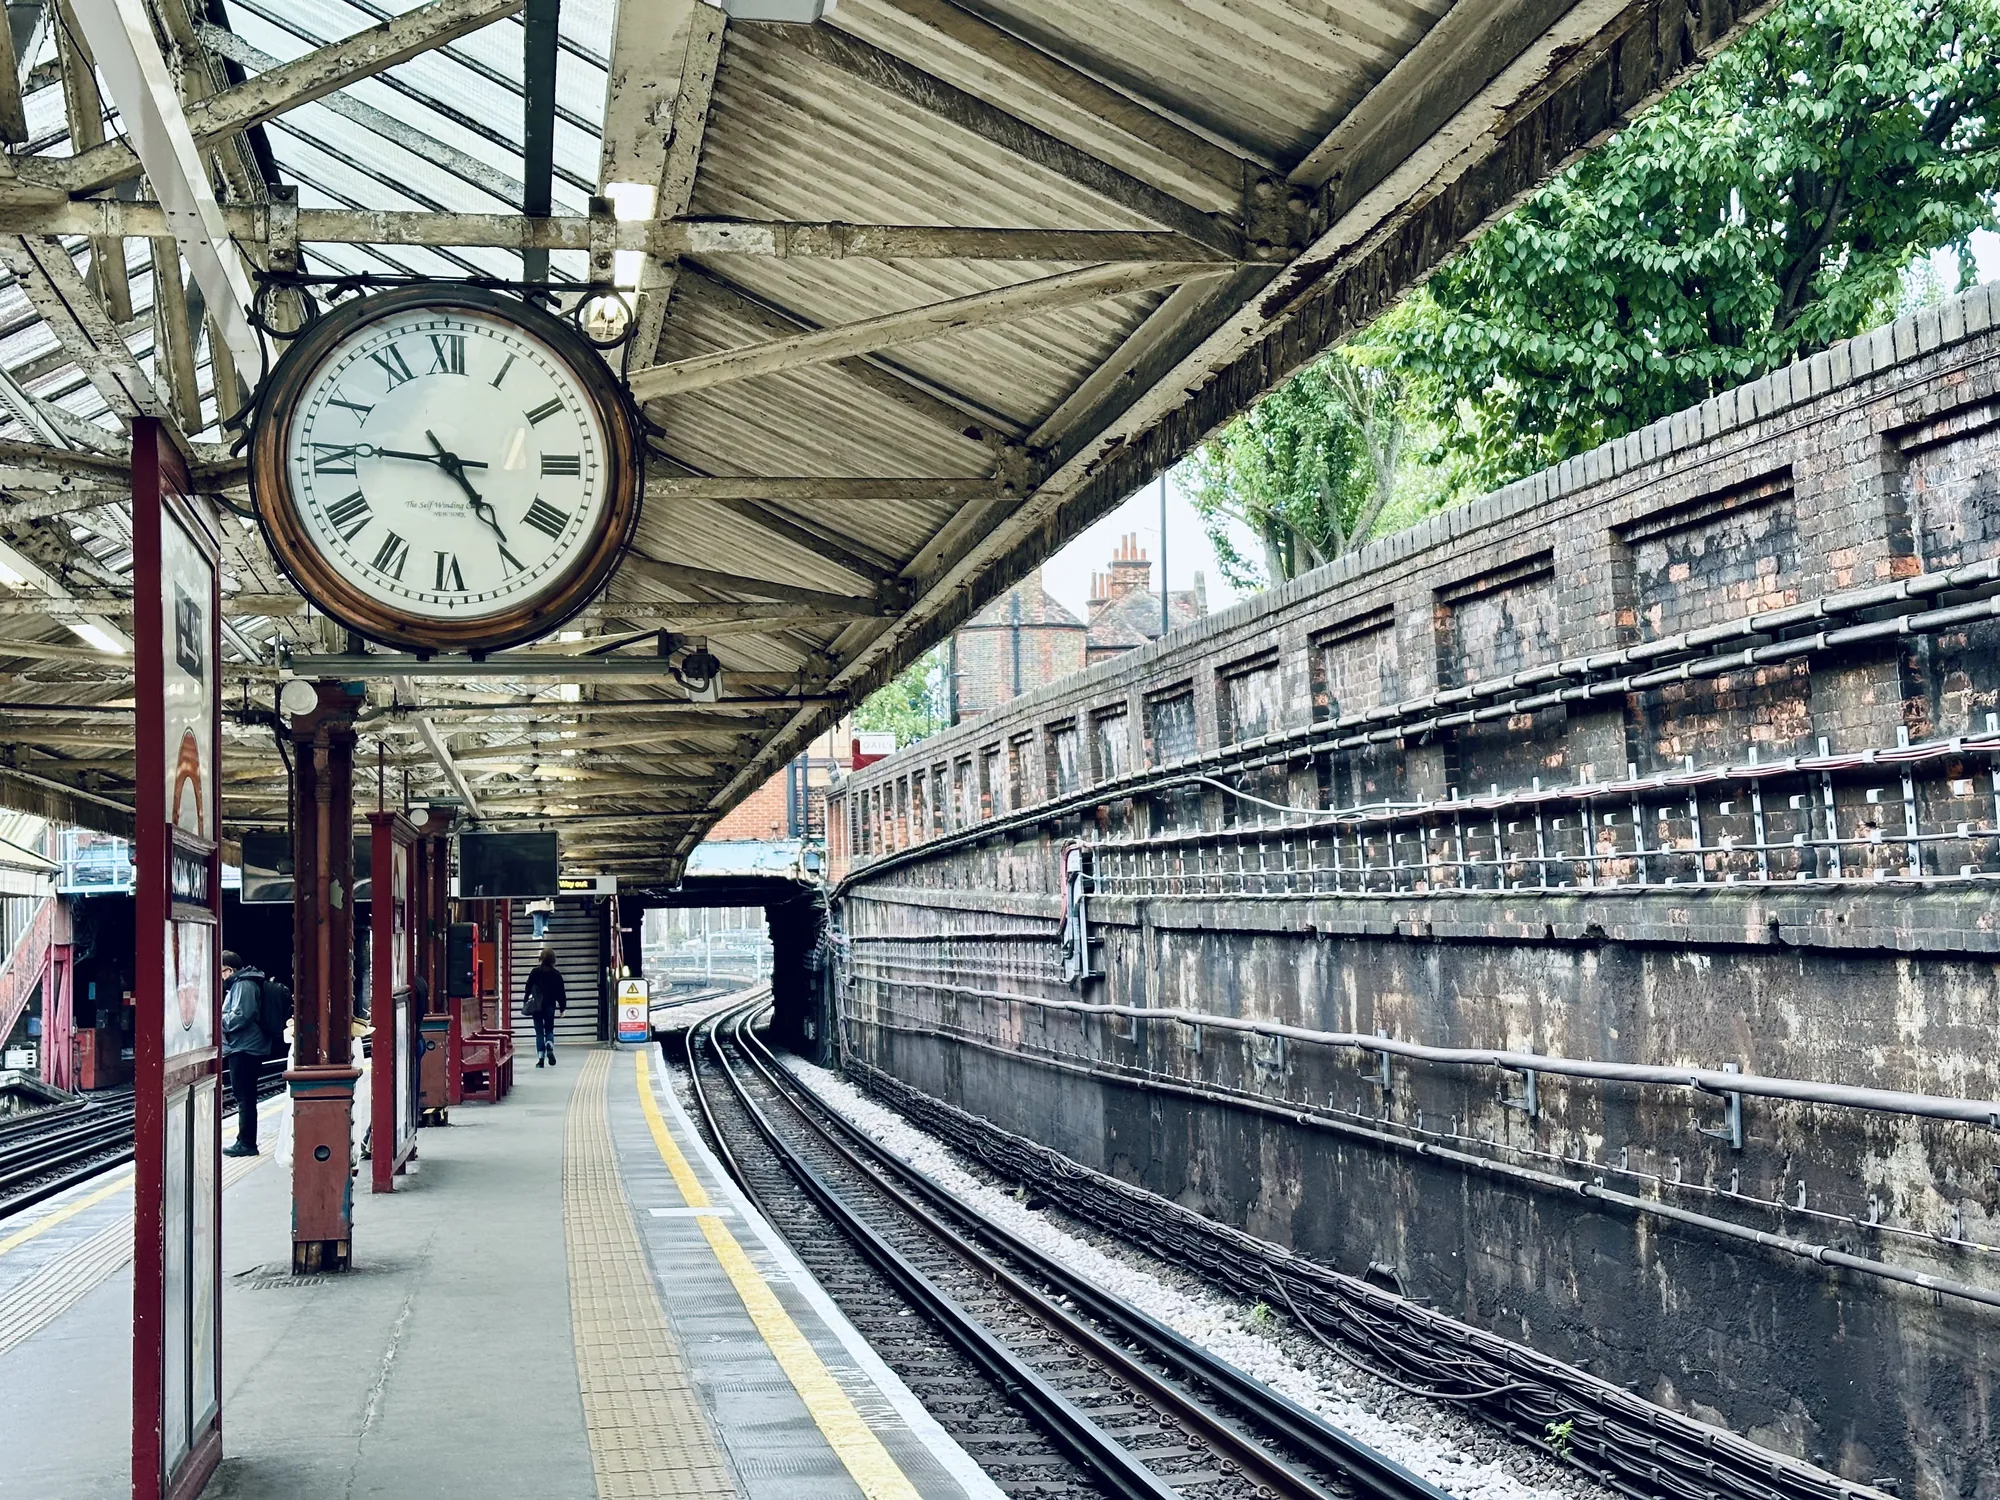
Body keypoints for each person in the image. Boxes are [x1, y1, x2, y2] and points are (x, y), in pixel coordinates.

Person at [220, 951, 267, 1157]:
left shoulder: (243, 985)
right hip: (243, 1046)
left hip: (245, 1048)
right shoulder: (242, 984)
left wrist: (217, 1020)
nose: (220, 977)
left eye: (221, 972)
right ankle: (244, 1140)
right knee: (245, 1096)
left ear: (230, 970)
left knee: (245, 1097)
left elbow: (241, 1016)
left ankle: (247, 1142)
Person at [524, 947, 566, 1068]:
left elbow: (528, 988)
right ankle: (549, 1043)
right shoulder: (556, 974)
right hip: (549, 1006)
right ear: (553, 959)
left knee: (539, 1032)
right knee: (549, 1029)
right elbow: (561, 993)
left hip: (536, 1007)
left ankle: (541, 1060)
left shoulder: (535, 972)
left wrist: (526, 1001)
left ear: (541, 958)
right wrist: (562, 1008)